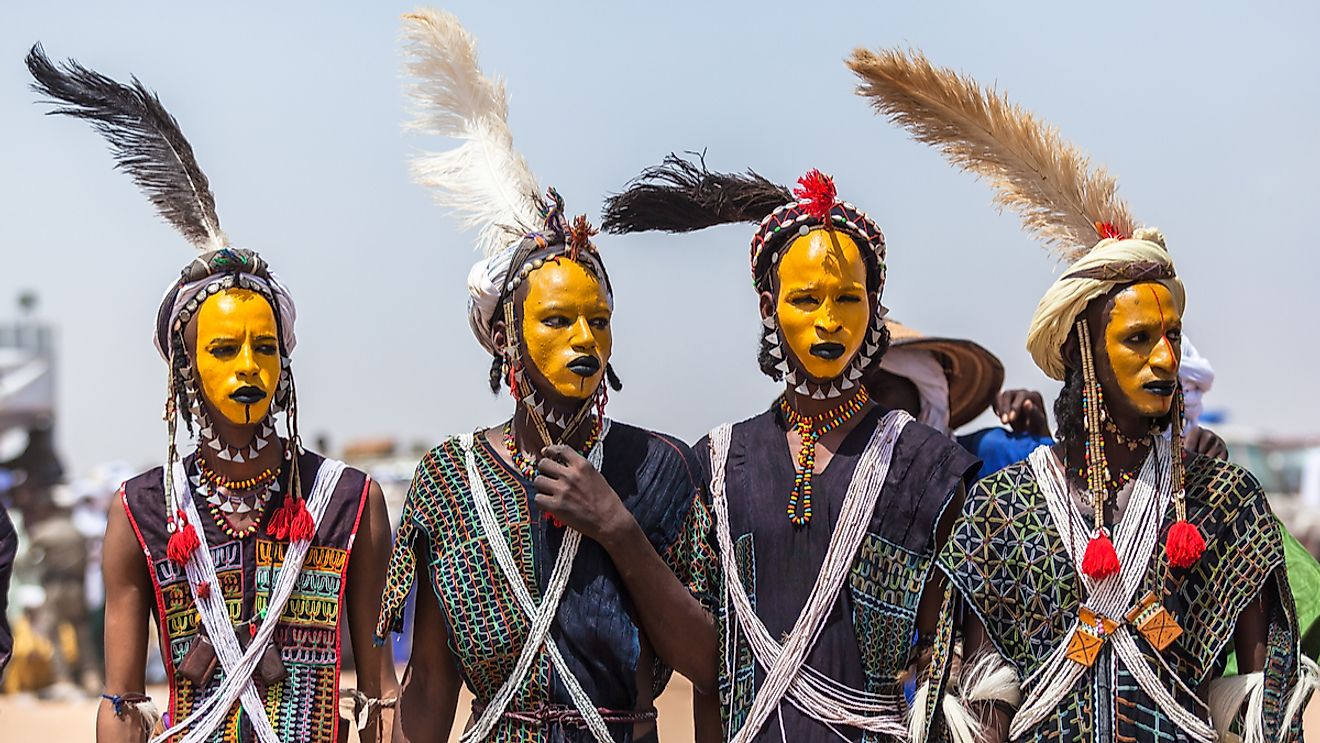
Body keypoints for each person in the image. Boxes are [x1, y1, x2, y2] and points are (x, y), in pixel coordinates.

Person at [850, 46, 1318, 742]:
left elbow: (1262, 701)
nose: (1164, 358)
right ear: (1082, 356)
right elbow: (977, 709)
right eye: (1137, 341)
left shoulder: (1224, 502)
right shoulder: (1002, 511)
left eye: (1172, 335)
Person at [27, 45, 396, 742]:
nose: (248, 365)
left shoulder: (350, 502)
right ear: (185, 370)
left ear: (286, 361)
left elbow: (383, 697)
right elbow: (122, 703)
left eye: (264, 346)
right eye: (224, 349)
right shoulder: (139, 511)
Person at [374, 11, 717, 742]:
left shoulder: (657, 468)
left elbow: (709, 659)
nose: (584, 339)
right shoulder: (450, 480)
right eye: (558, 321)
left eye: (598, 319)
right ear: (504, 336)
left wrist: (618, 528)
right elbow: (429, 684)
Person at [604, 155, 979, 741]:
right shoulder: (718, 464)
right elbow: (710, 672)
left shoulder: (927, 466)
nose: (829, 321)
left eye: (848, 300)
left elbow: (952, 658)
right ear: (767, 306)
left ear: (873, 309)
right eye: (806, 300)